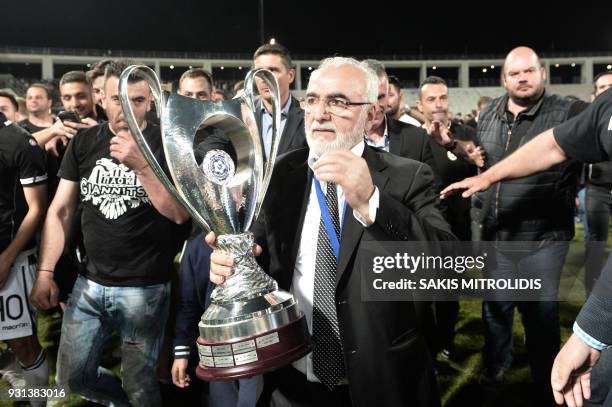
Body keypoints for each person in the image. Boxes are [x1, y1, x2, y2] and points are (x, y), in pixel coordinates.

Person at [208, 56, 454, 407]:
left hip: (379, 380)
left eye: (337, 101)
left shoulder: (406, 177)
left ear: (370, 114)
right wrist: (232, 261)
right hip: (291, 378)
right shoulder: (280, 173)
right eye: (312, 99)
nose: (319, 113)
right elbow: (258, 249)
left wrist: (374, 202)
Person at [428, 46, 587, 405]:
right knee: (496, 308)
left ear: (542, 73)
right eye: (515, 74)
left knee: (540, 313)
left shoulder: (568, 111)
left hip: (543, 236)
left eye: (529, 71)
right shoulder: (489, 113)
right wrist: (455, 144)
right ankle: (496, 366)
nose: (523, 78)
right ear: (504, 79)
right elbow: (481, 159)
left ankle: (547, 375)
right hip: (497, 234)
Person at [30, 60, 190, 406]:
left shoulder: (168, 143)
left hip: (145, 287)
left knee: (141, 385)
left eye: (136, 100)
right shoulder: (86, 141)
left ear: (150, 102)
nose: (126, 108)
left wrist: (142, 165)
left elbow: (179, 215)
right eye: (118, 99)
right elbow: (61, 210)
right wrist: (45, 272)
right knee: (74, 376)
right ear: (103, 99)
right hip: (89, 283)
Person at [0, 110, 49, 407]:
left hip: (11, 262)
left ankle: (38, 401)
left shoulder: (19, 142)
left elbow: (37, 209)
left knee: (23, 345)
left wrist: (7, 257)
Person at [583, 71, 612, 294]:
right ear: (595, 95)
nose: (607, 91)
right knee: (595, 244)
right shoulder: (588, 120)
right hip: (597, 189)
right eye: (602, 87)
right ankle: (591, 293)